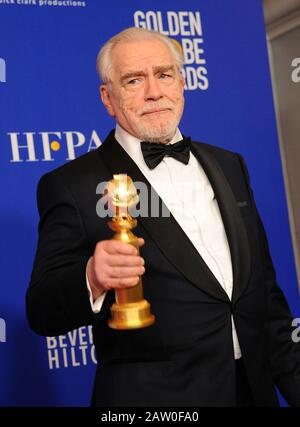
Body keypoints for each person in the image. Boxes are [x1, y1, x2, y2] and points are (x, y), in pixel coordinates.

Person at [26, 27, 300, 407]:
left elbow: (265, 297)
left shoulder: (229, 164)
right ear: (108, 98)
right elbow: (41, 310)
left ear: (182, 83)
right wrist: (91, 277)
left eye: (164, 74)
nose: (154, 92)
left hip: (253, 392)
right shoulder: (72, 185)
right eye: (134, 80)